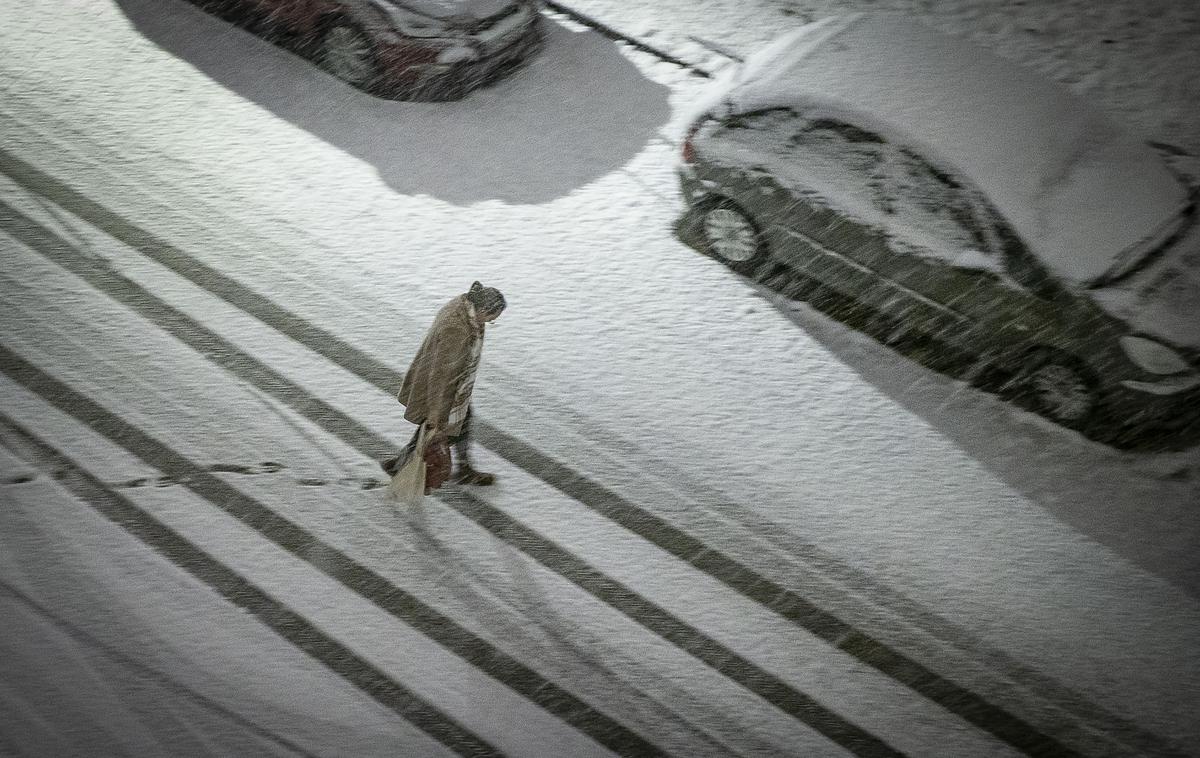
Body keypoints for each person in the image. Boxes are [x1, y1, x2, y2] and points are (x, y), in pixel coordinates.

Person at [381, 281, 506, 486]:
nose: (489, 323)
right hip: (444, 389)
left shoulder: (464, 304)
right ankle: (403, 465)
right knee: (436, 428)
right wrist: (436, 415)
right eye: (492, 319)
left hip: (451, 384)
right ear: (483, 310)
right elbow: (441, 375)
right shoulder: (457, 329)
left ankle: (406, 463)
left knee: (457, 423)